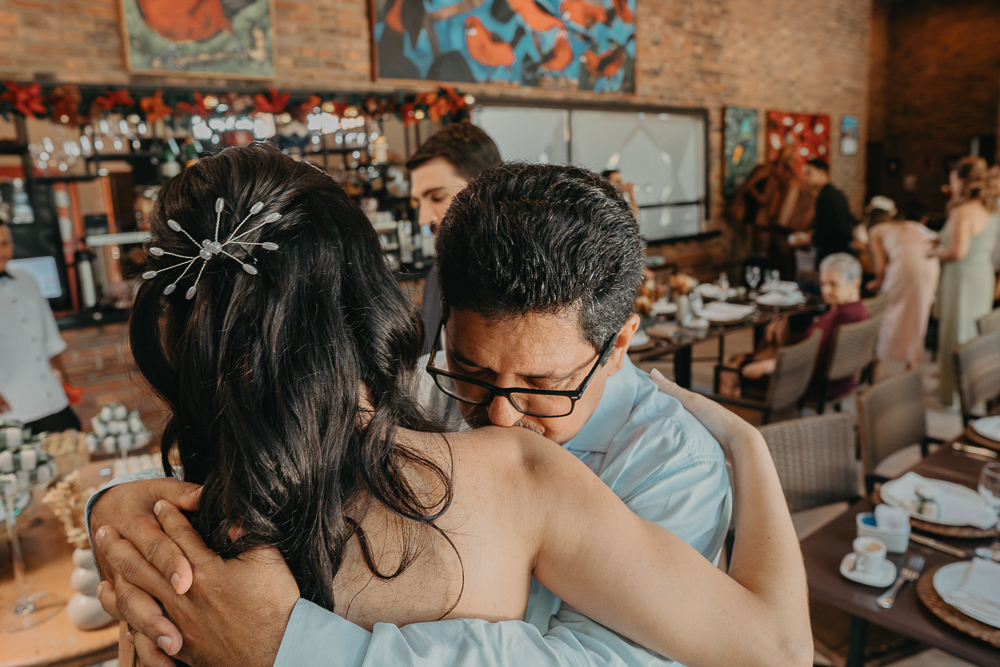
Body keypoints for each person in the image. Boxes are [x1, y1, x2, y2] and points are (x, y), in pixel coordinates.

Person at [93, 145, 810, 667]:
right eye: (470, 370)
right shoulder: (427, 402)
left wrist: (292, 647)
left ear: (618, 343)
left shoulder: (673, 463)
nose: (497, 418)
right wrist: (119, 508)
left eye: (543, 385)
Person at [406, 122, 502, 355]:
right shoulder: (436, 276)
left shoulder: (525, 285)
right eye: (419, 203)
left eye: (437, 197)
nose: (423, 219)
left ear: (486, 188)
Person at [737, 253, 869, 403]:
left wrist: (770, 365)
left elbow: (811, 359)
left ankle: (736, 411)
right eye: (823, 284)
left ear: (855, 283)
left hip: (808, 384)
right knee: (744, 359)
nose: (826, 290)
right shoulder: (857, 310)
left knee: (733, 369)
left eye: (833, 284)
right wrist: (786, 337)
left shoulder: (844, 316)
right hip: (839, 382)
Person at [929, 156, 999, 407]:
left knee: (956, 332)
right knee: (972, 334)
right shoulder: (990, 207)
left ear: (960, 180)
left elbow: (958, 252)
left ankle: (955, 396)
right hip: (981, 275)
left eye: (952, 179)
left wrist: (933, 252)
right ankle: (973, 389)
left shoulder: (962, 209)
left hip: (962, 278)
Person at [0, 221, 80, 432]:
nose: (2, 251)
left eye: (5, 243)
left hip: (52, 399)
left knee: (75, 437)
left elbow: (49, 338)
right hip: (12, 410)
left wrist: (64, 382)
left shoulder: (27, 280)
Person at [866, 196, 939, 369]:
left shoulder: (877, 230)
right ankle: (911, 365)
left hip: (902, 268)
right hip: (930, 269)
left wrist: (878, 283)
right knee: (918, 315)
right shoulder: (924, 231)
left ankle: (877, 367)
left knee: (886, 313)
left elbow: (880, 268)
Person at [792, 158, 856, 268]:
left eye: (809, 173)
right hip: (841, 252)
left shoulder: (825, 197)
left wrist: (807, 239)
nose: (806, 178)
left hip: (831, 254)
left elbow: (826, 231)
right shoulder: (836, 193)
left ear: (821, 172)